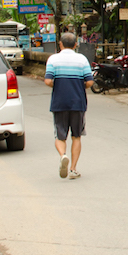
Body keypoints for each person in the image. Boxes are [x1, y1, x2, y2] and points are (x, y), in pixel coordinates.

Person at [44, 31, 94, 179]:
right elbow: (90, 82)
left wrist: (58, 84)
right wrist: (79, 86)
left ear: (60, 44)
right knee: (77, 136)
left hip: (59, 102)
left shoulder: (53, 59)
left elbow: (47, 81)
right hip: (78, 102)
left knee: (60, 135)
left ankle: (63, 155)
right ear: (75, 44)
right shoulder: (82, 60)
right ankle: (73, 169)